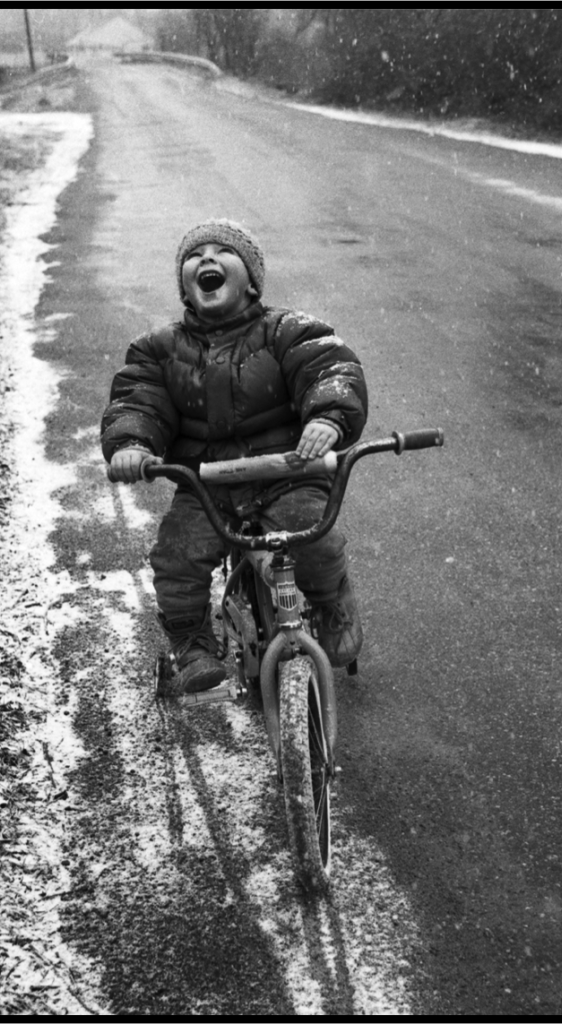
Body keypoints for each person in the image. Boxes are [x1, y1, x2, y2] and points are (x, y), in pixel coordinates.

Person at [101, 219, 368, 693]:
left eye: (222, 252)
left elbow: (329, 368)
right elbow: (138, 400)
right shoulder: (158, 350)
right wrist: (132, 444)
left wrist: (326, 417)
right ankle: (192, 644)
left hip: (287, 471)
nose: (205, 259)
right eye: (193, 255)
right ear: (185, 288)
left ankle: (332, 605)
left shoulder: (286, 331)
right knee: (176, 556)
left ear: (251, 282)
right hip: (208, 486)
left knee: (313, 539)